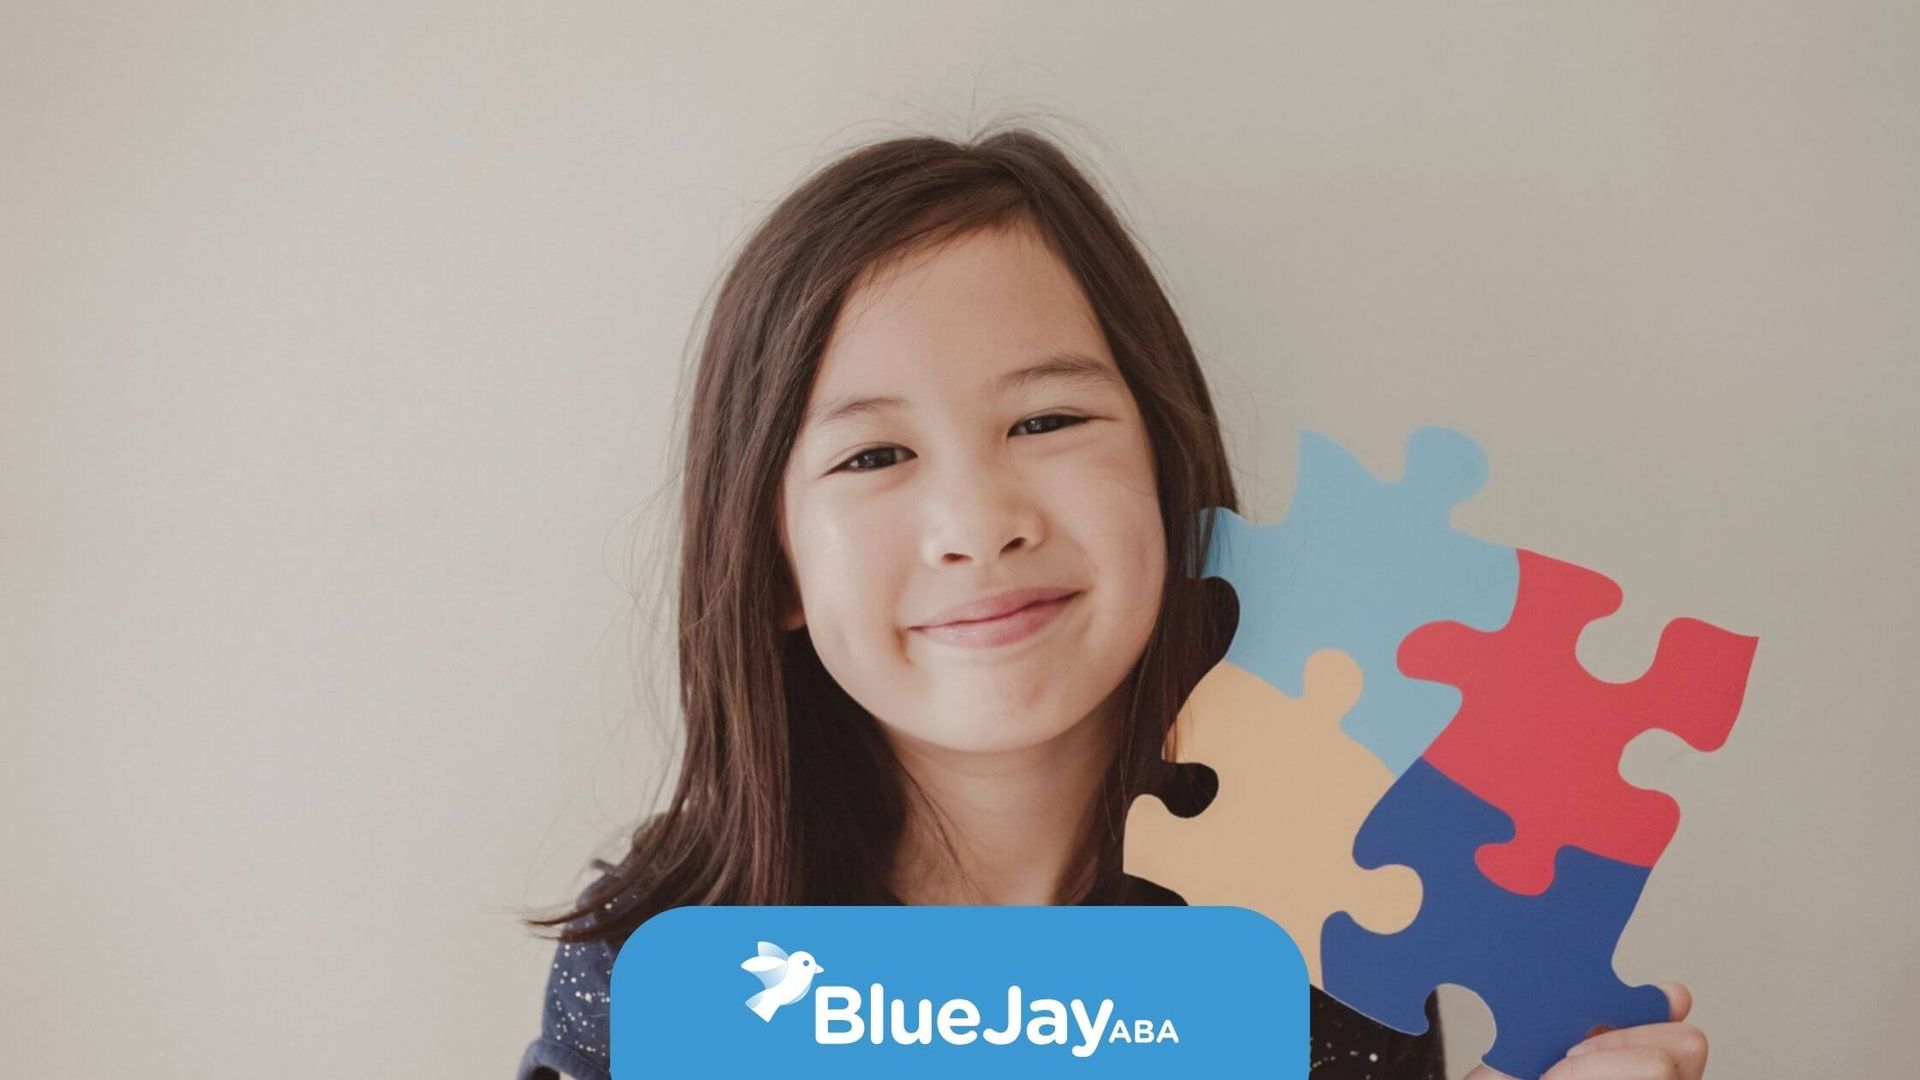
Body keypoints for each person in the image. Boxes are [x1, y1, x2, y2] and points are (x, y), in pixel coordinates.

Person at [514, 126, 1709, 1080]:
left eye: (1047, 422)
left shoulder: (1325, 936)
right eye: (873, 458)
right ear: (772, 567)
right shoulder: (654, 970)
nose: (982, 523)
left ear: (1170, 480)